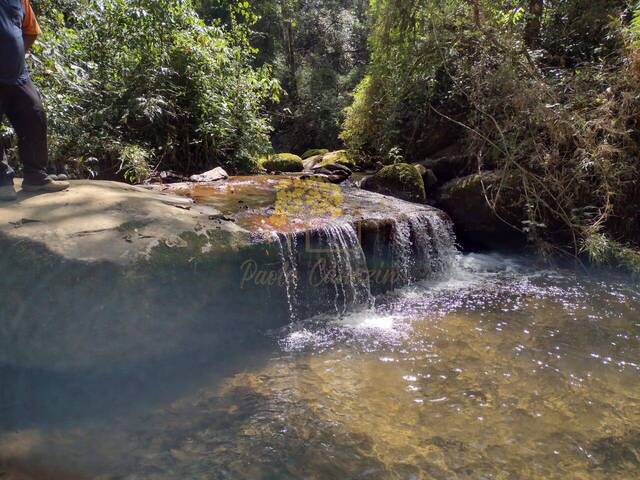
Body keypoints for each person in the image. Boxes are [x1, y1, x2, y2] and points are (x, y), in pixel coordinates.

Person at [0, 0, 69, 201]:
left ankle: (35, 178)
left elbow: (31, 31)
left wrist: (16, 57)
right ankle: (2, 182)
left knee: (35, 117)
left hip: (18, 76)